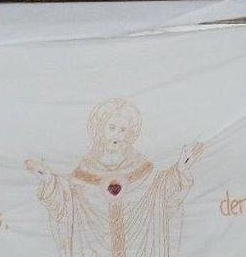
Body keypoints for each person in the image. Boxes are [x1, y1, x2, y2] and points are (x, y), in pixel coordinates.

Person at [25, 98, 203, 257]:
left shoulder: (141, 168)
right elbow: (64, 201)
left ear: (130, 134)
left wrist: (180, 170)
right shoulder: (84, 171)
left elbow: (162, 189)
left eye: (123, 130)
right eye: (112, 128)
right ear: (100, 130)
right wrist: (49, 180)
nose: (117, 134)